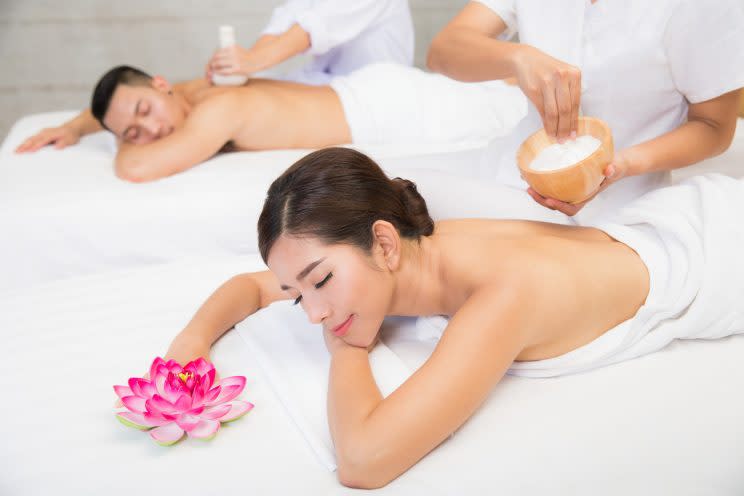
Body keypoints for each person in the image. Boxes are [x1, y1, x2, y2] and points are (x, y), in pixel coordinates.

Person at [162, 147, 743, 488]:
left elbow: (365, 462)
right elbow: (247, 285)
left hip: (723, 254)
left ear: (383, 244)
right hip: (665, 224)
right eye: (297, 295)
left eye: (319, 284)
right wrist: (190, 342)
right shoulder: (411, 247)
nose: (312, 313)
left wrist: (348, 351)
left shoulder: (503, 295)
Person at [427, 0, 744, 221]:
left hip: (618, 208)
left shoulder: (703, 6)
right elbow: (443, 51)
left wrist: (622, 165)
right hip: (508, 173)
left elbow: (714, 127)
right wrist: (516, 57)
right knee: (390, 195)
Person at [14, 63, 525, 182]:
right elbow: (134, 112)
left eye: (144, 113)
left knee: (517, 108)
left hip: (385, 110)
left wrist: (118, 140)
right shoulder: (190, 94)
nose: (147, 135)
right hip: (369, 91)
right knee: (502, 94)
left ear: (160, 83)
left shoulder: (216, 110)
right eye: (132, 133)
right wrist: (82, 125)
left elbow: (136, 170)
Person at [206, 0, 413, 85]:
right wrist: (236, 67)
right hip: (328, 84)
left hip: (376, 92)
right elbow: (279, 28)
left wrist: (252, 61)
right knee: (209, 92)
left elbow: (311, 30)